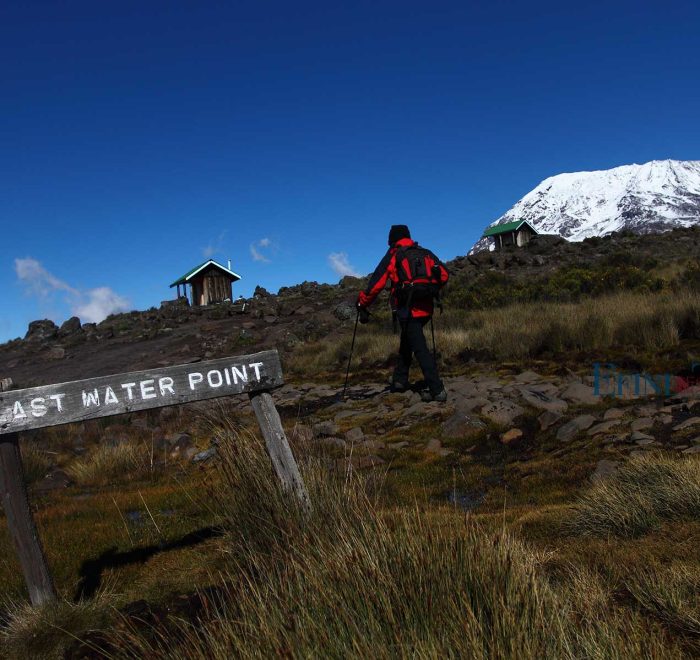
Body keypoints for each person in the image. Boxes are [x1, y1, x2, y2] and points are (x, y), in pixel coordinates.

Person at [357, 225, 449, 402]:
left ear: (392, 240)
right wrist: (428, 289)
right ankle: (400, 380)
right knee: (408, 341)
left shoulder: (393, 254)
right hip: (427, 307)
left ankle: (437, 389)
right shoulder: (425, 252)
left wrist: (362, 301)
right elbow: (444, 275)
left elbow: (377, 284)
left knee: (419, 347)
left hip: (407, 309)